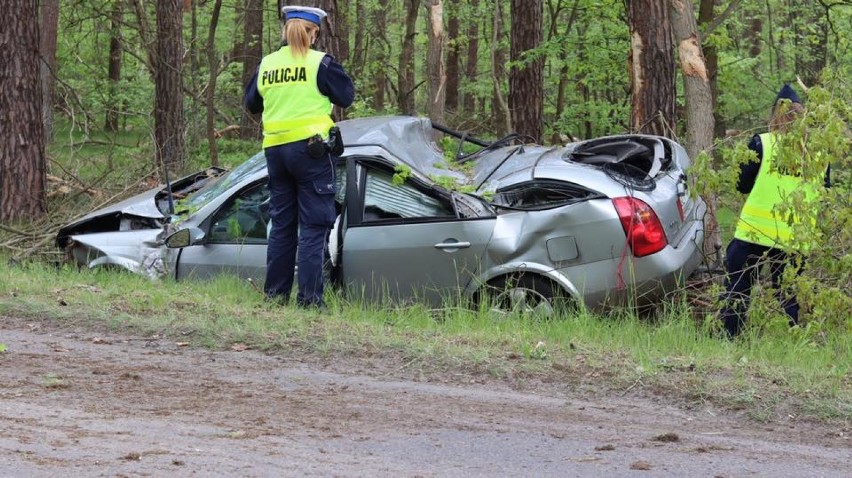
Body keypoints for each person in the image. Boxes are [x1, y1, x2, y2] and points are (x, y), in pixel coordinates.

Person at [243, 5, 355, 308]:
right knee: (313, 227)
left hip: (276, 153)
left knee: (281, 226)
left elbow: (251, 103)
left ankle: (275, 297)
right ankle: (309, 302)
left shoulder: (267, 64)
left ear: (285, 30)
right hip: (311, 152)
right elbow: (346, 96)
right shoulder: (321, 63)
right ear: (314, 33)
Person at [718, 84, 830, 338]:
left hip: (754, 232)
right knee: (789, 291)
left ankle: (730, 337)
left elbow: (741, 184)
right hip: (795, 237)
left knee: (738, 286)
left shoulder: (761, 143)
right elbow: (826, 193)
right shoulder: (819, 152)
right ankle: (790, 338)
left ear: (774, 115)